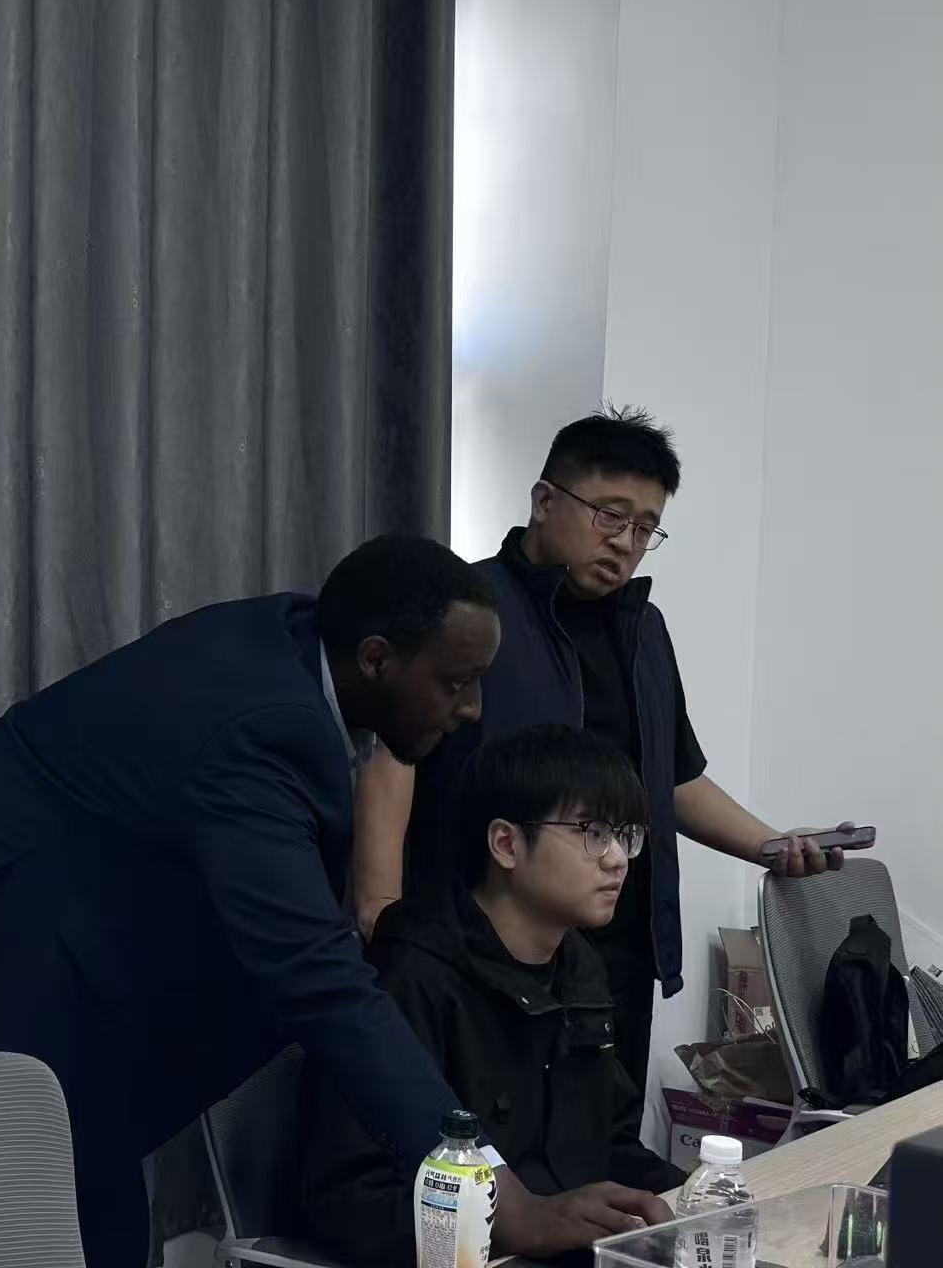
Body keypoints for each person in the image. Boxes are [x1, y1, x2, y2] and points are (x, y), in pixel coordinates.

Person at [0, 535, 664, 1267]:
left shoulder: (304, 647)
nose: (472, 712)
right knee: (69, 1181)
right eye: (454, 683)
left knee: (103, 1161)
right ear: (378, 660)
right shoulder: (263, 729)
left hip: (75, 884)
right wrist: (493, 1198)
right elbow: (315, 977)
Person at [350, 407, 847, 1094]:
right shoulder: (467, 610)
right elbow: (394, 754)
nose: (625, 541)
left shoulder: (645, 632)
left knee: (593, 1148)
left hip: (612, 952)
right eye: (609, 515)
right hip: (474, 943)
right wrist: (378, 903)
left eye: (645, 526)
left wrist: (771, 846)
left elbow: (668, 779)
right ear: (544, 501)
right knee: (470, 1154)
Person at [301, 725, 687, 1266]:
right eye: (593, 832)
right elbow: (350, 1198)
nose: (618, 858)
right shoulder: (412, 972)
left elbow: (611, 1146)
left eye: (626, 834)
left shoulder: (579, 968)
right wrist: (507, 1229)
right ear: (506, 843)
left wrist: (698, 1206)